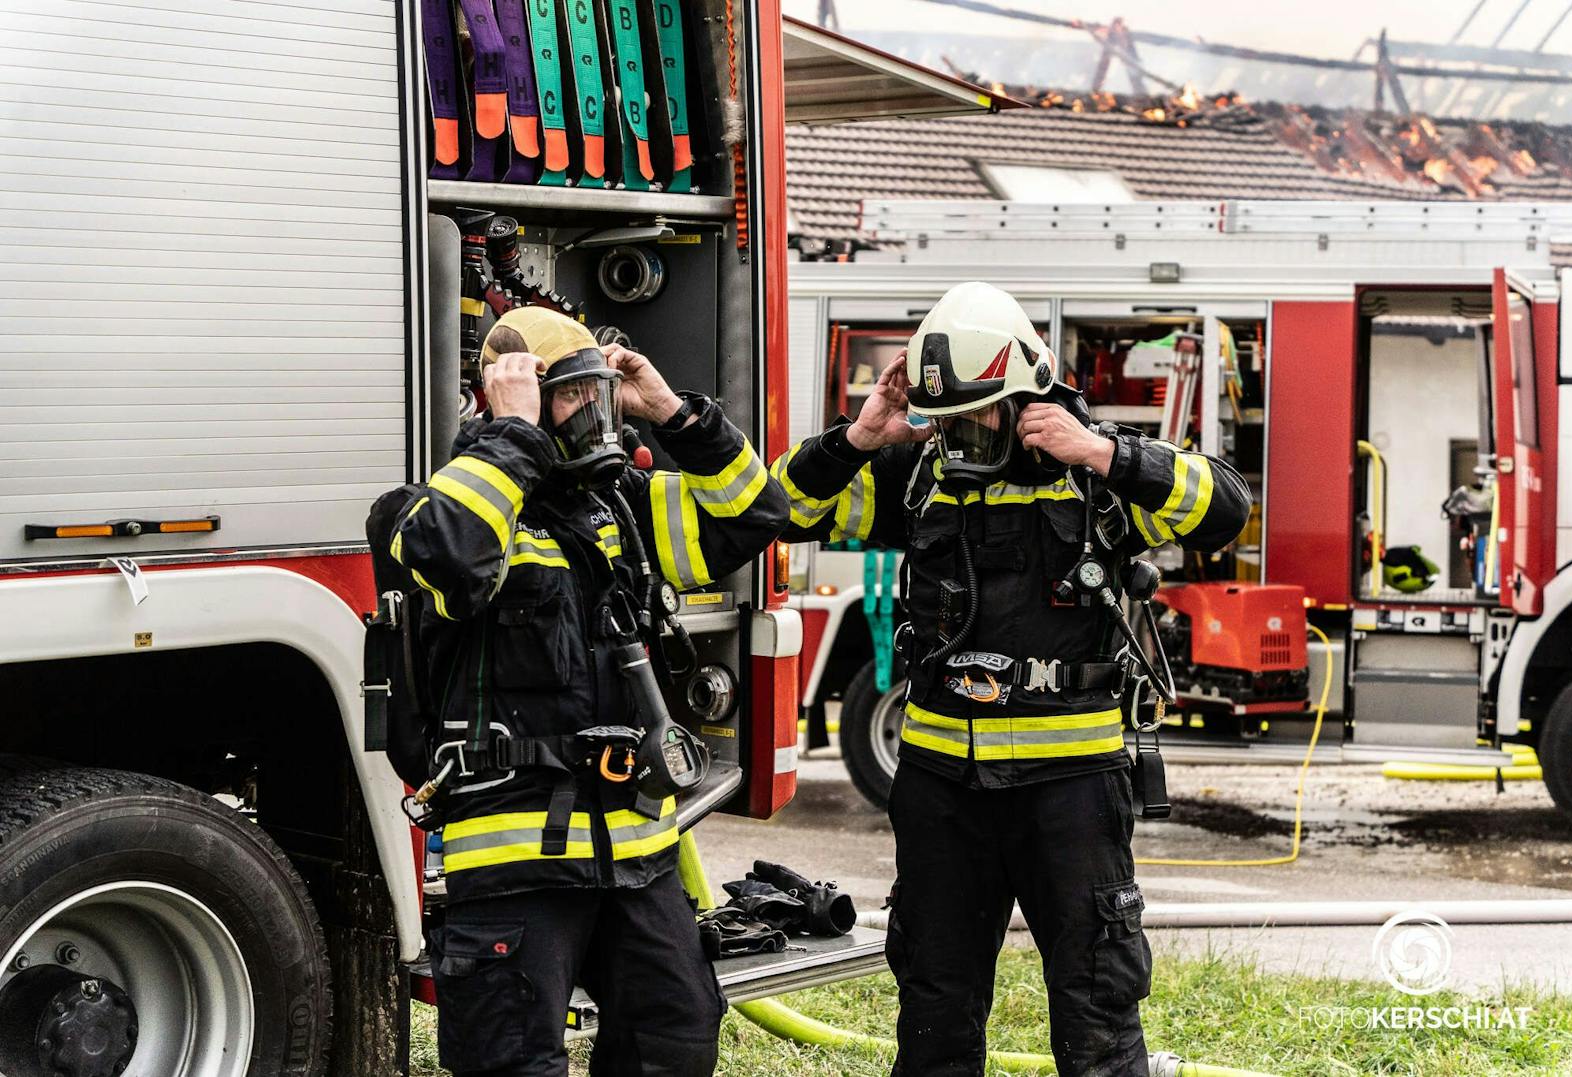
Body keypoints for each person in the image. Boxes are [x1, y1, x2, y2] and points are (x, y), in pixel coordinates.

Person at [771, 282, 1252, 1075]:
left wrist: (1103, 452)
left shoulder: (1093, 474)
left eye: (978, 414)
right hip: (941, 790)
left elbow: (1224, 507)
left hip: (1070, 789)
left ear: (1026, 394)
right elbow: (779, 508)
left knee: (1096, 1007)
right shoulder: (919, 476)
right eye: (949, 419)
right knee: (934, 1007)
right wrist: (857, 438)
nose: (962, 436)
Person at [392, 306, 788, 1076]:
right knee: (513, 1060)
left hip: (637, 857)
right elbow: (453, 557)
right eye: (574, 396)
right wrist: (513, 435)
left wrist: (672, 411)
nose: (594, 416)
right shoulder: (434, 509)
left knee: (676, 1039)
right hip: (518, 864)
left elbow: (755, 511)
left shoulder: (617, 515)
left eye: (598, 395)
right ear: (516, 395)